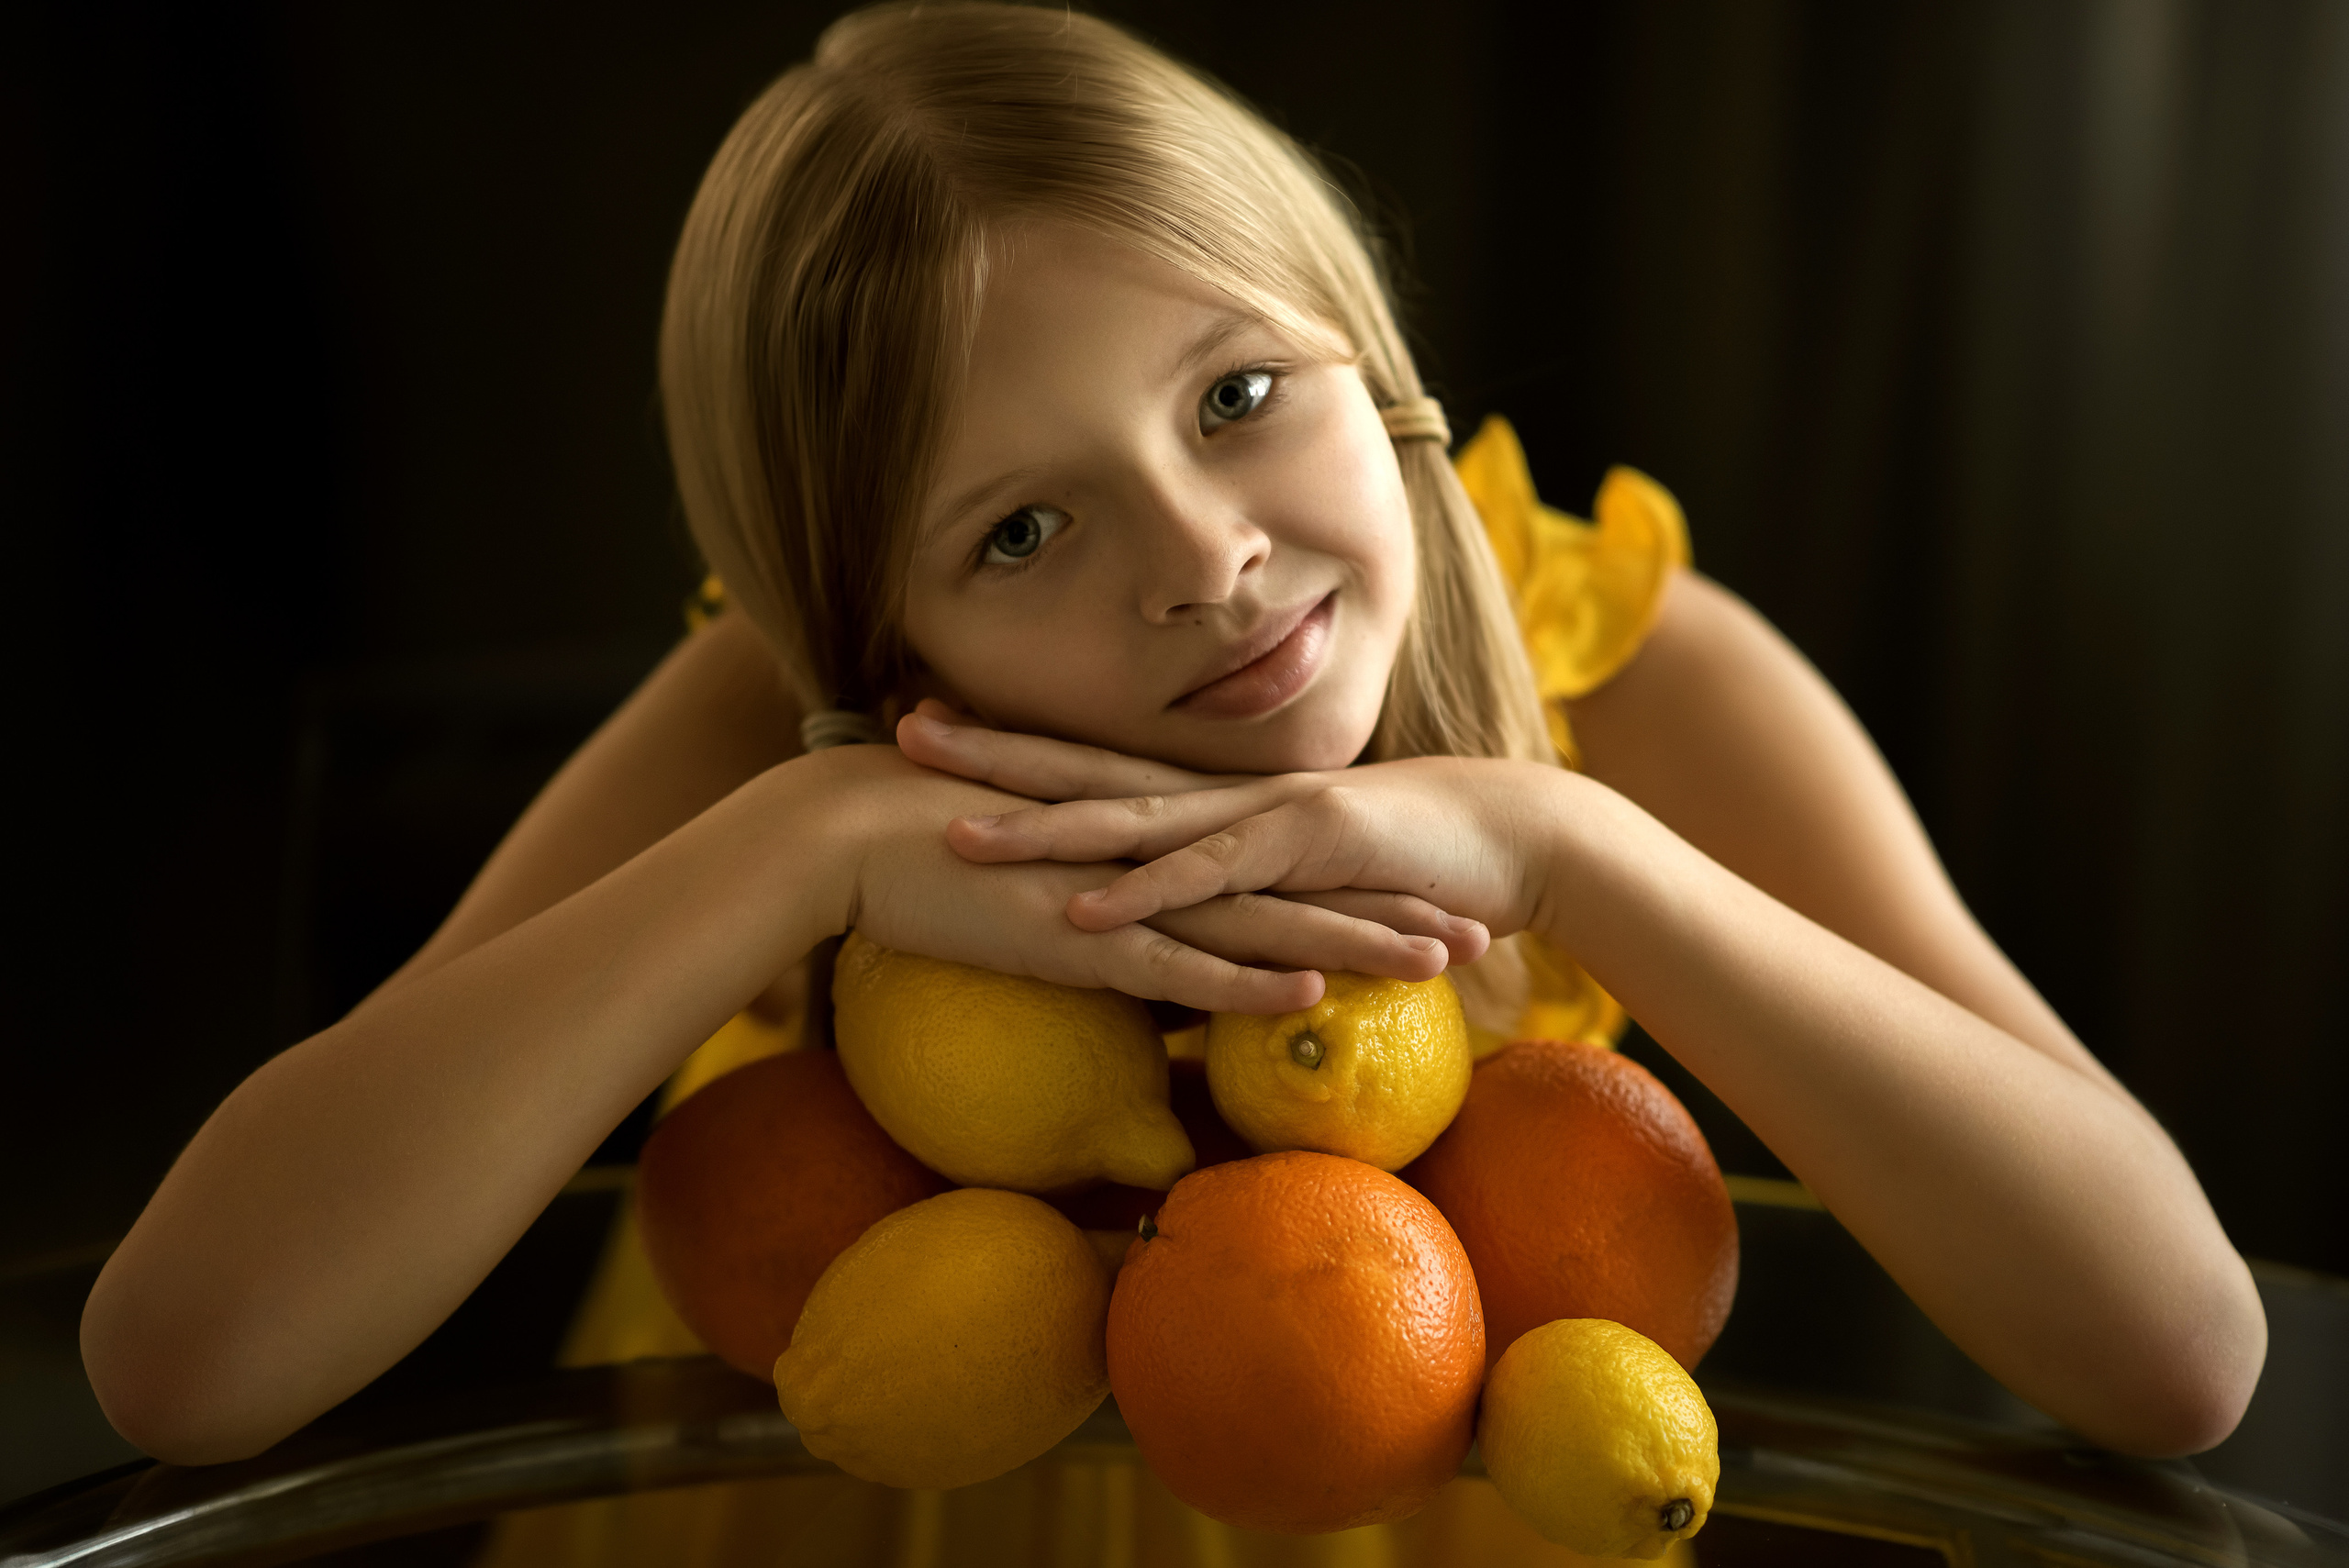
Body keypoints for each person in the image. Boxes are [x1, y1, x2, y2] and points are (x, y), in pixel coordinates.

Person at [81, 0, 2265, 1550]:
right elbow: (187, 1366)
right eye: (1018, 531)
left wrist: (1562, 845)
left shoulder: (1638, 673)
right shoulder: (765, 744)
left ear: (1368, 360)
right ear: (873, 638)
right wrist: (799, 849)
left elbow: (2173, 1348)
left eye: (1234, 394)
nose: (1203, 561)